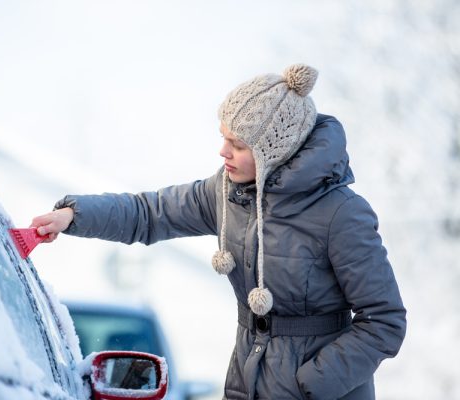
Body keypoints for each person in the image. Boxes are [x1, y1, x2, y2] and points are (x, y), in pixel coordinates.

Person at [30, 64, 406, 400]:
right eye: (223, 136)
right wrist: (72, 216)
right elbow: (148, 213)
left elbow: (384, 321)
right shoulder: (226, 193)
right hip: (247, 381)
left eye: (238, 144)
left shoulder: (341, 213)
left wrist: (313, 383)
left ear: (275, 151)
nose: (222, 151)